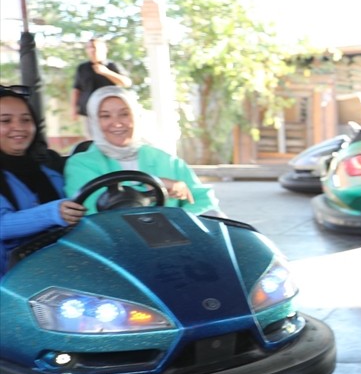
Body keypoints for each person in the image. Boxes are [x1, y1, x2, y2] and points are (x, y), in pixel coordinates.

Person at [65, 86, 220, 216]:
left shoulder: (167, 161)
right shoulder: (80, 165)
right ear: (94, 122)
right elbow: (92, 214)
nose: (117, 123)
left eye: (124, 114)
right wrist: (156, 185)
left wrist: (178, 222)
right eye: (105, 116)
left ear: (136, 117)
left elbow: (204, 201)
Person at [1, 85, 85, 274]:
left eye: (26, 120)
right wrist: (53, 213)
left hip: (56, 269)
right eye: (6, 120)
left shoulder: (49, 172)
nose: (19, 127)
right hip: (9, 279)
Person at [71, 37, 132, 119]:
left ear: (104, 49)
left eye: (95, 47)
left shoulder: (111, 66)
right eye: (89, 47)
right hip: (88, 113)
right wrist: (74, 109)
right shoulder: (82, 68)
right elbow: (76, 90)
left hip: (109, 114)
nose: (92, 50)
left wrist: (106, 72)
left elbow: (126, 83)